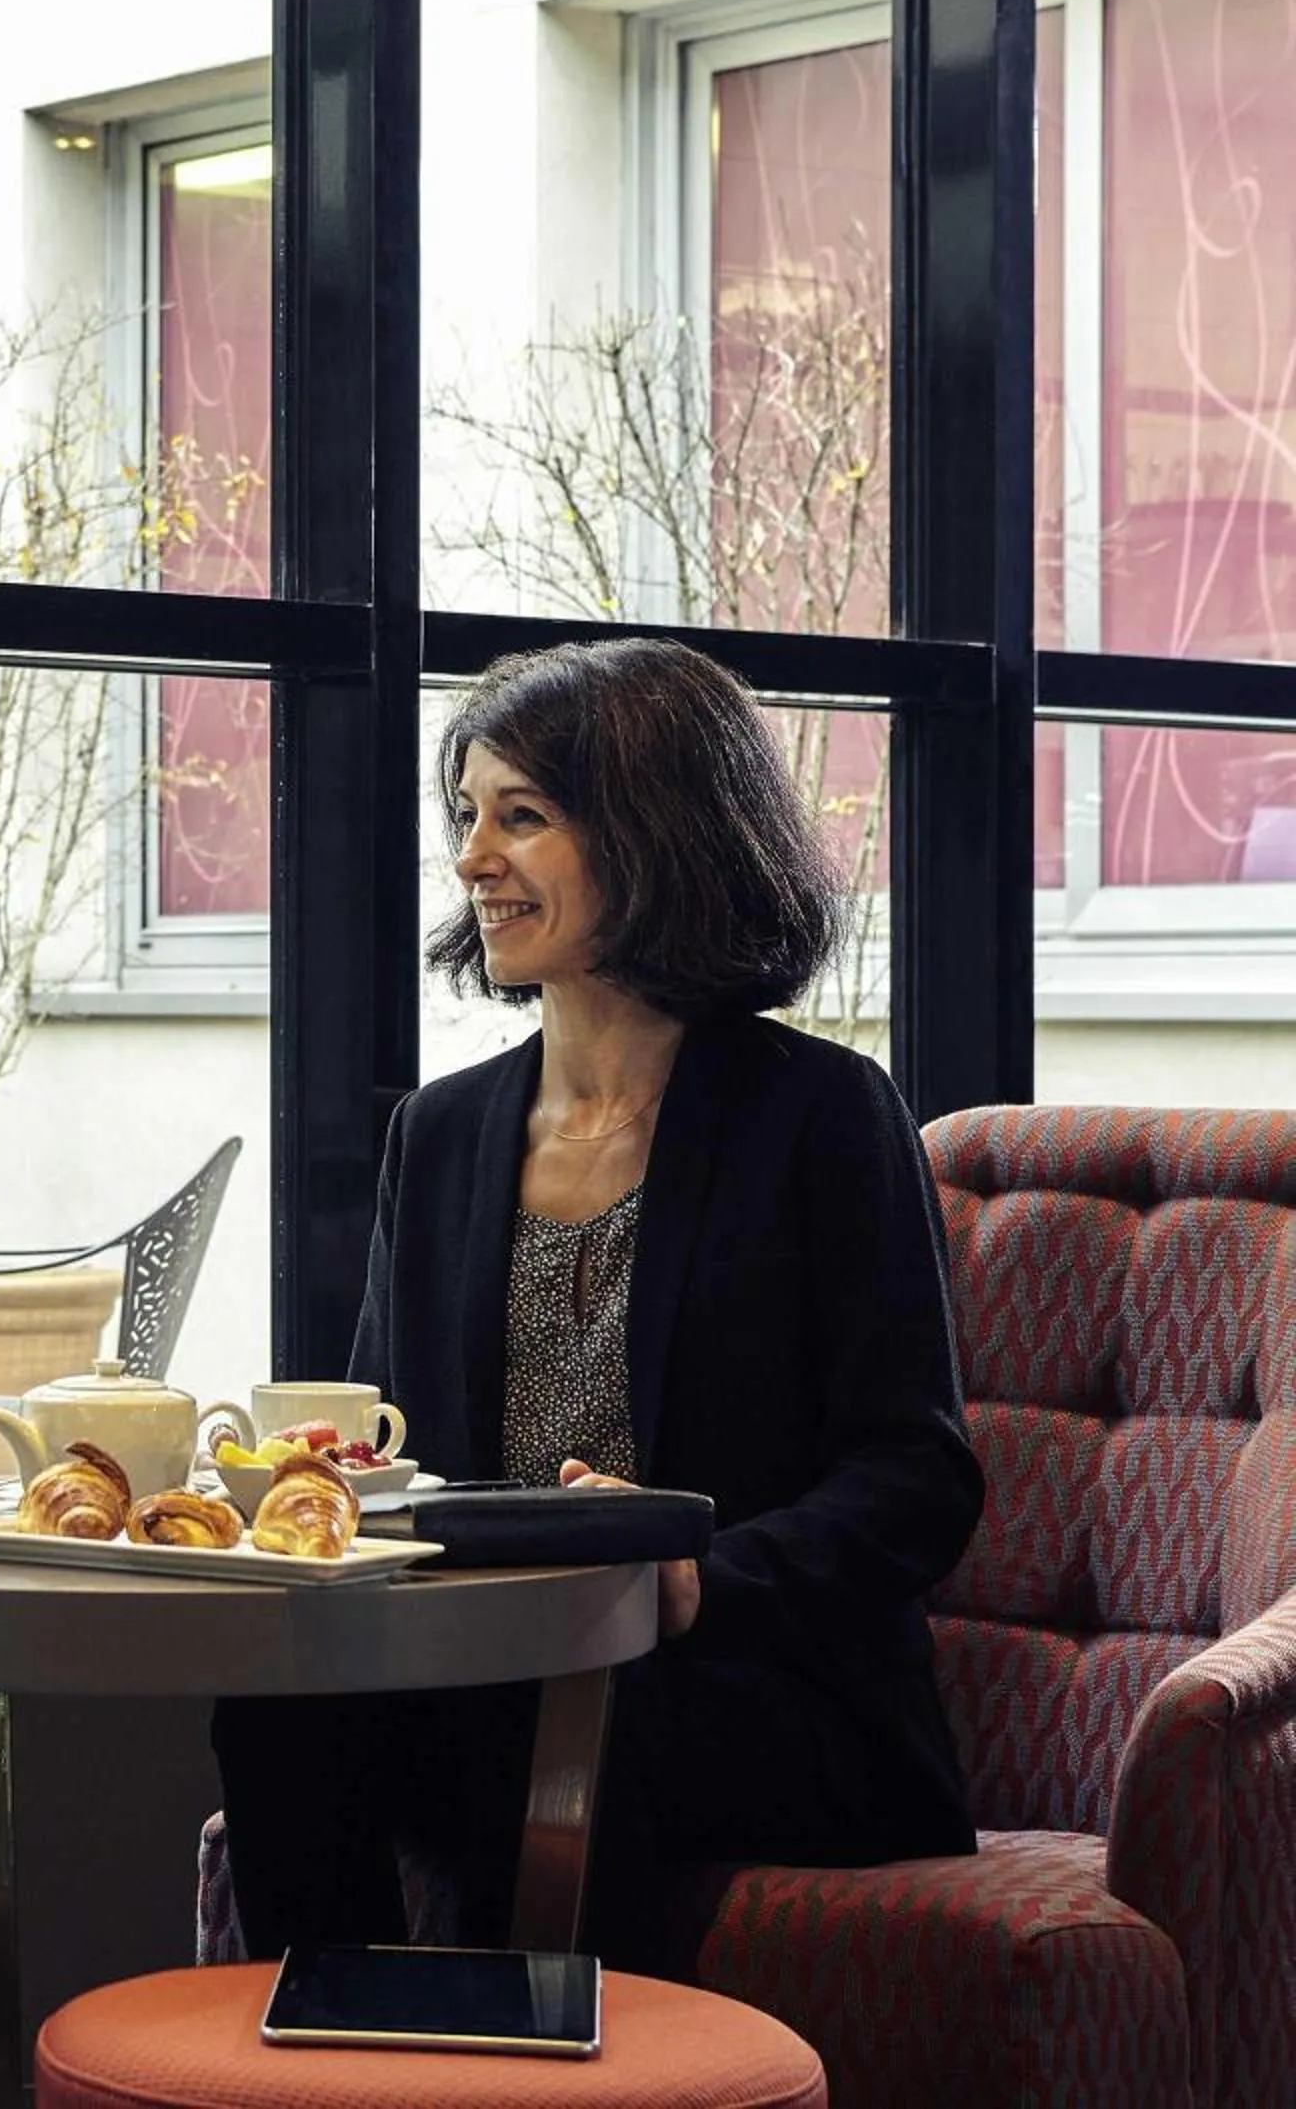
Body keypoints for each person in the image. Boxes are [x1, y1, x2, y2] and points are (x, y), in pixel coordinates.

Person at [212, 636, 984, 1973]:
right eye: (468, 816)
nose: (473, 859)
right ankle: (347, 2060)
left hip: (758, 1694)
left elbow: (917, 1480)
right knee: (281, 1706)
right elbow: (389, 1457)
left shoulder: (821, 1114)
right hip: (487, 1667)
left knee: (546, 1715)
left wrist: (691, 1576)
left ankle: (522, 2061)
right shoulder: (439, 1136)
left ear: (653, 834)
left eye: (523, 816)